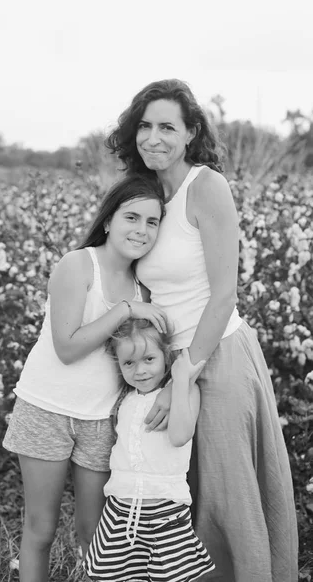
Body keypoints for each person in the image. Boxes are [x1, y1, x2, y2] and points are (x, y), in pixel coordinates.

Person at [105, 79, 298, 582]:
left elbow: (224, 293)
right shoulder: (145, 195)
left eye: (167, 126)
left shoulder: (206, 187)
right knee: (180, 498)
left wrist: (182, 376)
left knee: (228, 495)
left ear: (191, 132)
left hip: (217, 356)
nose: (154, 137)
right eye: (144, 126)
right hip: (167, 362)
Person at [3, 173, 170, 582]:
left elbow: (143, 357)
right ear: (109, 220)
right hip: (46, 408)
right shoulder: (78, 264)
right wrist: (124, 310)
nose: (142, 230)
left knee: (94, 534)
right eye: (132, 217)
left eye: (153, 222)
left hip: (101, 419)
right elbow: (67, 347)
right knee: (40, 530)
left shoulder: (143, 288)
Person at [84, 318, 215, 582]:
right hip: (120, 510)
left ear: (166, 357)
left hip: (164, 512)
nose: (140, 371)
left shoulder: (187, 391)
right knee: (114, 575)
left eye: (149, 359)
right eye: (128, 363)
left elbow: (180, 436)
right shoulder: (124, 398)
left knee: (168, 576)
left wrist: (180, 382)